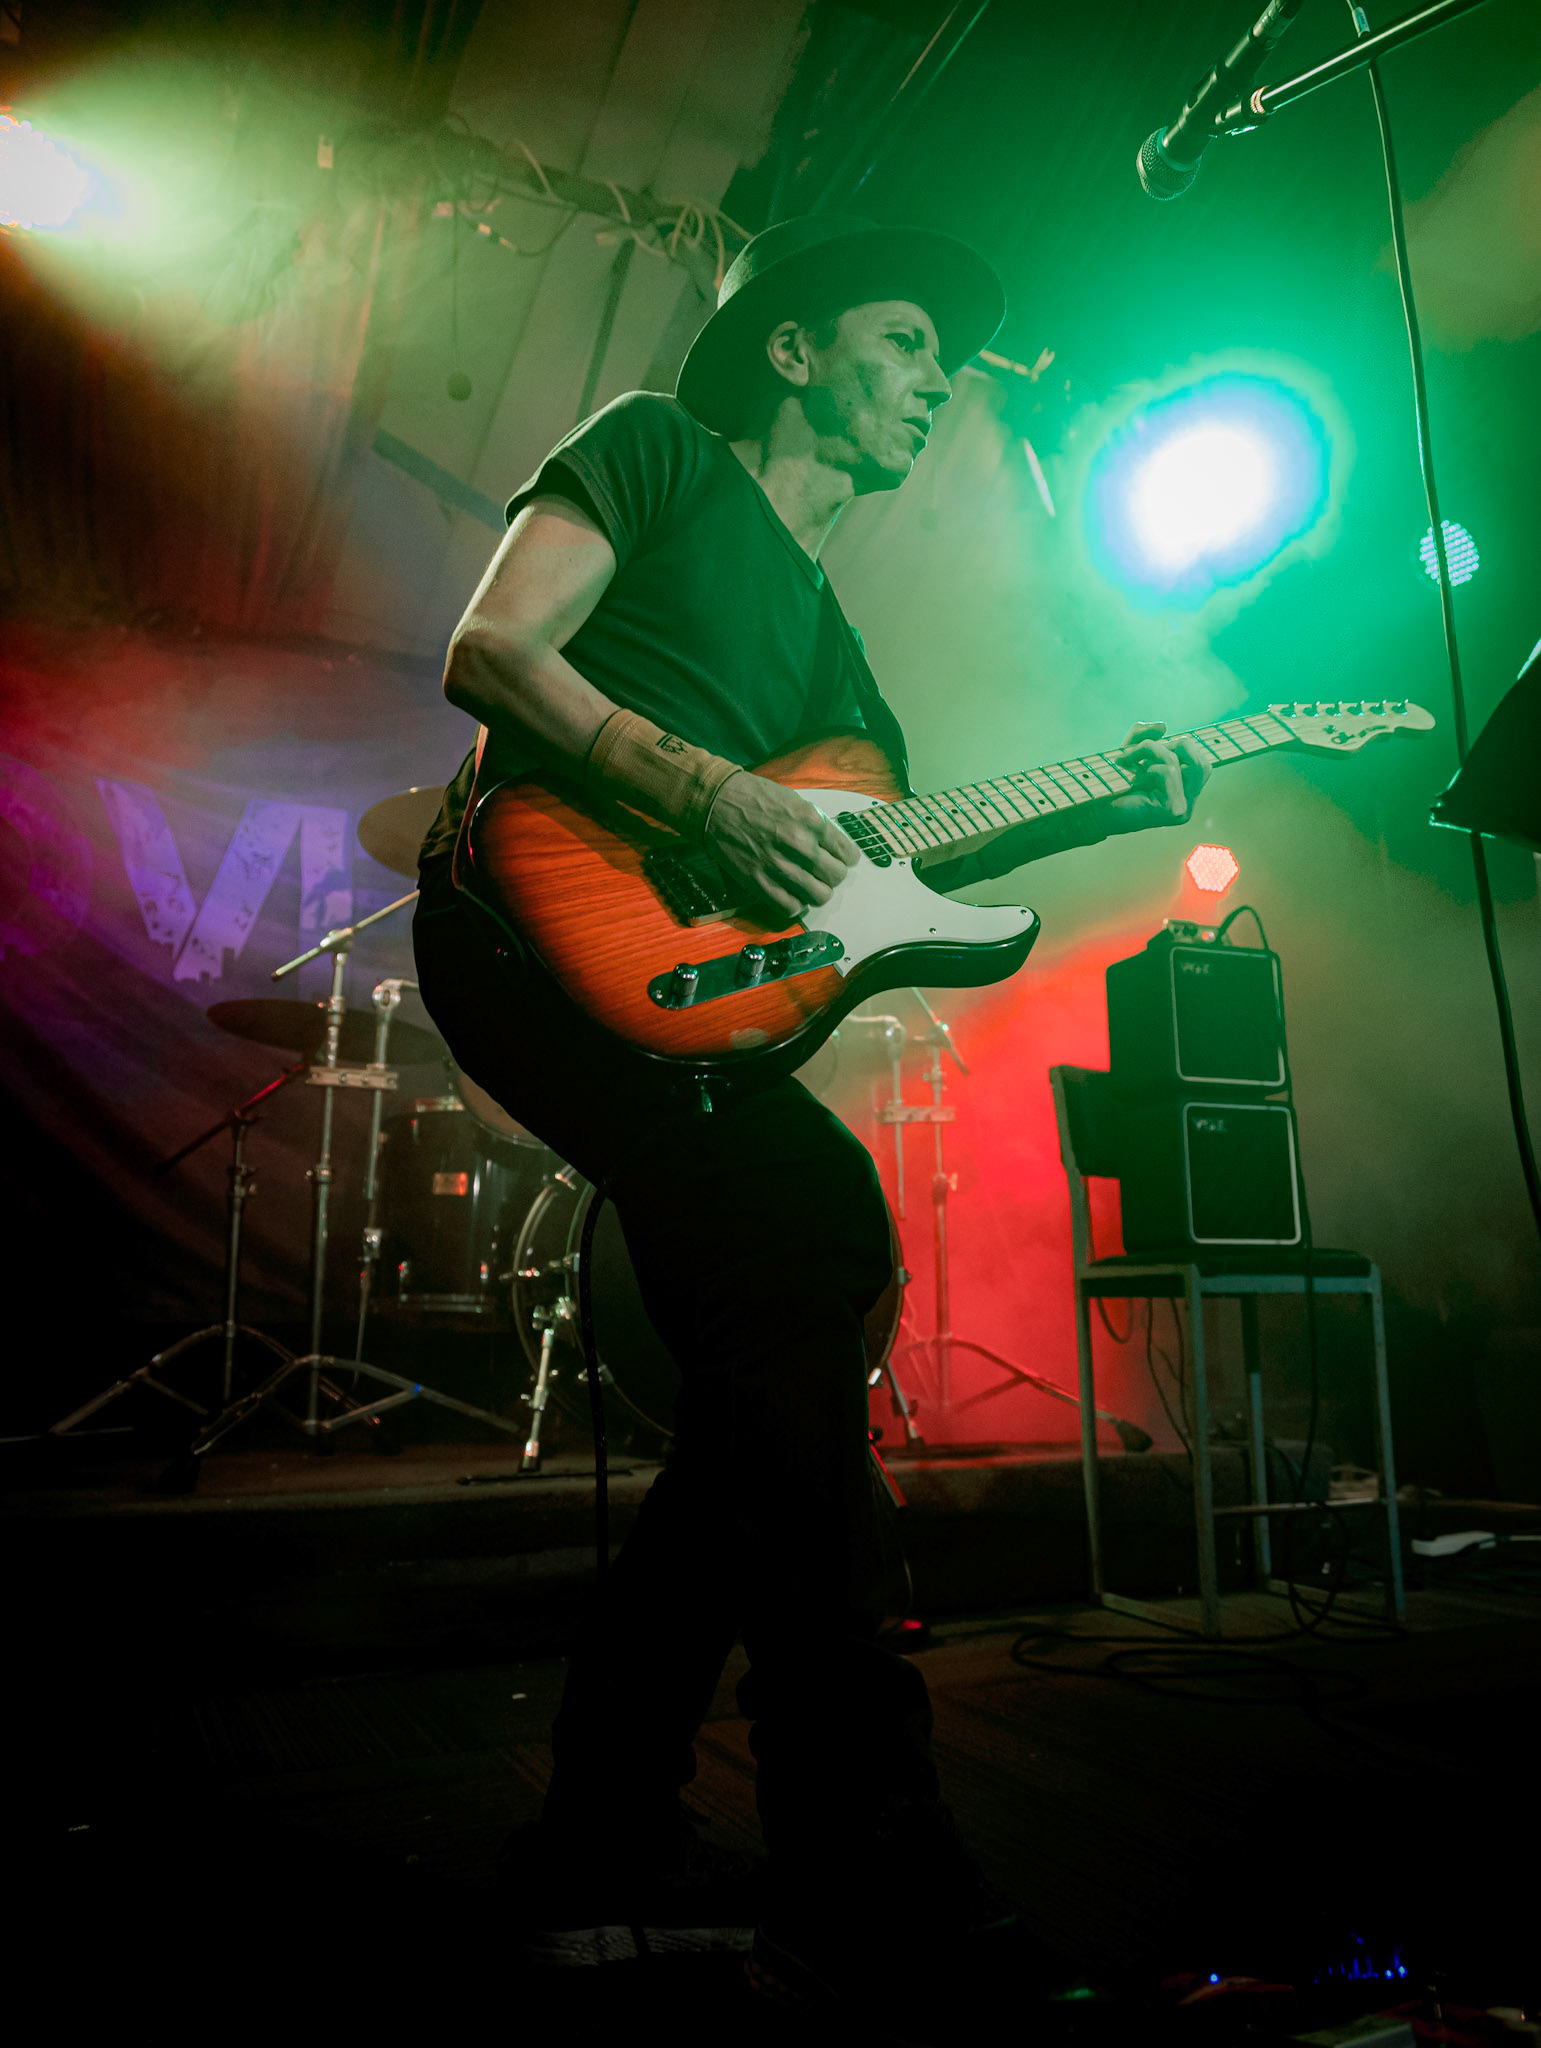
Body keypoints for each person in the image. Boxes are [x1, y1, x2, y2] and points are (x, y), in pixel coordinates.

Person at [412, 213, 1211, 2023]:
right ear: (791, 348)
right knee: (817, 1234)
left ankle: (601, 1849)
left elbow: (872, 867)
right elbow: (492, 650)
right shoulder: (654, 449)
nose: (939, 378)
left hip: (695, 998)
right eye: (909, 338)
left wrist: (1105, 803)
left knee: (776, 1349)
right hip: (529, 910)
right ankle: (862, 1855)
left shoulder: (840, 656)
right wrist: (698, 789)